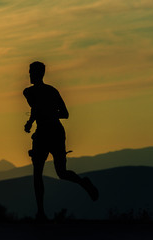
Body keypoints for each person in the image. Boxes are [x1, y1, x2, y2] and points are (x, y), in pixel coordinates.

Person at [23, 61, 99, 220]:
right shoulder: (46, 91)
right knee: (50, 173)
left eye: (31, 72)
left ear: (39, 73)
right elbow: (44, 110)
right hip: (53, 133)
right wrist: (36, 119)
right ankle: (41, 212)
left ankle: (41, 212)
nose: (29, 74)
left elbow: (61, 113)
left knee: (53, 173)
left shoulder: (31, 92)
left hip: (47, 134)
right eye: (30, 71)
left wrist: (36, 120)